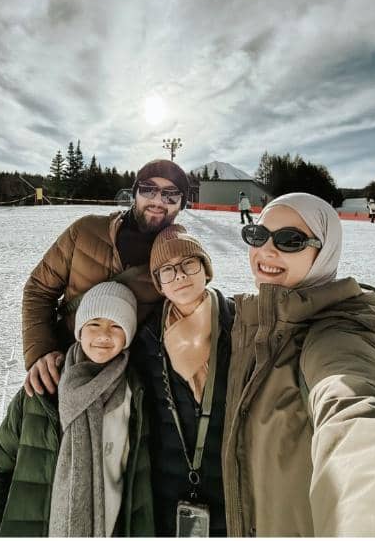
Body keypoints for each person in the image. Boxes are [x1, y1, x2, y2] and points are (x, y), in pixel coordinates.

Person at [224, 193, 375, 536]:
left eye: (290, 240)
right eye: (258, 235)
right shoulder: (262, 324)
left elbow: (357, 408)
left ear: (324, 251)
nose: (267, 251)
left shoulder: (339, 333)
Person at [0, 282, 153, 537]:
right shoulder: (40, 391)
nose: (104, 335)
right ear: (80, 330)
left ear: (128, 335)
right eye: (94, 324)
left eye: (117, 326)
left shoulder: (135, 396)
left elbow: (141, 490)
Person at [21, 159, 190, 397]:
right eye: (148, 189)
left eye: (171, 195)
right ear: (135, 193)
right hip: (62, 369)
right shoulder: (85, 230)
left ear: (182, 204)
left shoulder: (180, 257)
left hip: (129, 388)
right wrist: (41, 351)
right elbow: (39, 289)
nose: (158, 201)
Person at [130, 226, 234, 536]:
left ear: (206, 269)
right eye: (167, 270)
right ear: (158, 284)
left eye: (189, 263)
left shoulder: (240, 323)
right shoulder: (147, 337)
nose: (180, 276)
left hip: (232, 488)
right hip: (168, 491)